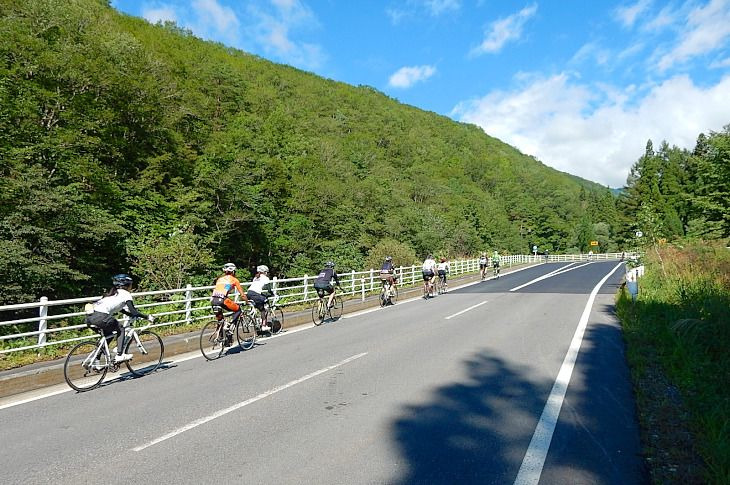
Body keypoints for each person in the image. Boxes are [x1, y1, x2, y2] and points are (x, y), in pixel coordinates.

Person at [86, 274, 154, 363]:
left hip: (90, 317)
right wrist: (147, 317)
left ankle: (96, 361)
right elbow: (134, 311)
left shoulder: (112, 293)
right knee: (121, 329)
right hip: (101, 317)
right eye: (131, 284)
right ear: (127, 285)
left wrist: (128, 314)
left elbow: (120, 309)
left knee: (108, 336)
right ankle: (119, 355)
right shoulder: (126, 294)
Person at [211, 263, 248, 338]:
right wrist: (247, 301)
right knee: (238, 310)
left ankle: (222, 339)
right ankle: (230, 326)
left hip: (213, 300)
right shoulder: (234, 280)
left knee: (220, 320)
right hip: (222, 300)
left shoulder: (220, 279)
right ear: (233, 271)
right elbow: (242, 295)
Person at [247, 265, 271, 332]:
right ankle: (263, 325)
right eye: (266, 272)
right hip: (256, 295)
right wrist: (272, 294)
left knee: (257, 306)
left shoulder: (256, 277)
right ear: (265, 272)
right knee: (263, 309)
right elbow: (268, 288)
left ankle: (256, 320)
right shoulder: (265, 278)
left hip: (249, 293)